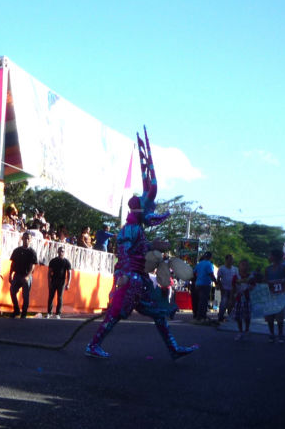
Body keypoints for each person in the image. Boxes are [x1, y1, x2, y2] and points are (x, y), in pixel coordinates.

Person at [85, 130, 197, 360]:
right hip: (131, 279)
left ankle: (173, 348)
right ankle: (93, 345)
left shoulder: (137, 229)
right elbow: (125, 253)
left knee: (157, 312)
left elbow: (138, 250)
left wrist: (154, 248)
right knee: (115, 315)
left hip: (139, 279)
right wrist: (125, 275)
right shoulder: (131, 229)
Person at [9, 231, 38, 318]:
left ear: (30, 240)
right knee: (12, 291)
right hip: (17, 275)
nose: (26, 240)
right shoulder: (17, 250)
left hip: (26, 276)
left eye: (28, 238)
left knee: (25, 295)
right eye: (25, 238)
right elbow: (13, 264)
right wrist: (10, 274)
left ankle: (24, 313)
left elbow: (33, 266)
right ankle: (16, 310)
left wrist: (28, 276)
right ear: (22, 239)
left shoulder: (32, 252)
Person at [263, 249, 285, 344]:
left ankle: (280, 334)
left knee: (279, 317)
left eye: (270, 255)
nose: (269, 257)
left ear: (275, 257)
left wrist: (283, 281)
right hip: (270, 296)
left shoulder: (283, 268)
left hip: (280, 296)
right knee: (270, 316)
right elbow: (264, 280)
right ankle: (271, 334)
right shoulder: (267, 269)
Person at [231, 259, 254, 341]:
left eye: (246, 265)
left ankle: (247, 329)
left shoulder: (250, 277)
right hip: (238, 299)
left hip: (247, 299)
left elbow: (253, 286)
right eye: (242, 265)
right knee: (238, 316)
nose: (244, 267)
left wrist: (250, 287)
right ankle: (240, 331)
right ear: (239, 266)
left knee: (247, 316)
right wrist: (233, 297)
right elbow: (233, 287)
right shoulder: (236, 276)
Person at [46, 246, 72, 318]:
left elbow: (69, 273)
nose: (61, 252)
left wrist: (68, 283)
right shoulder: (53, 261)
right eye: (60, 251)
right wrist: (49, 282)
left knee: (60, 297)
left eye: (62, 251)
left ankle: (58, 313)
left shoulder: (66, 262)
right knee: (51, 297)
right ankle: (49, 312)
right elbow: (49, 272)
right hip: (53, 281)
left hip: (61, 282)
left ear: (64, 252)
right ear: (57, 252)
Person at [192, 251, 215, 322]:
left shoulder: (199, 264)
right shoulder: (209, 264)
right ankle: (201, 316)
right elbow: (211, 274)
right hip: (205, 284)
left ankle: (197, 315)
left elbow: (193, 273)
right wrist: (216, 282)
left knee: (198, 300)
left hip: (197, 284)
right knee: (203, 301)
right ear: (210, 257)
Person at [215, 254, 238, 323]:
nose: (231, 261)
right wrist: (221, 287)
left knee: (231, 304)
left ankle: (230, 317)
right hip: (224, 288)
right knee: (223, 303)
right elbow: (218, 279)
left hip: (232, 289)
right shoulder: (222, 268)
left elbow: (237, 279)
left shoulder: (235, 269)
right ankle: (220, 316)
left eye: (232, 259)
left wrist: (235, 289)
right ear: (226, 260)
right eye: (230, 259)